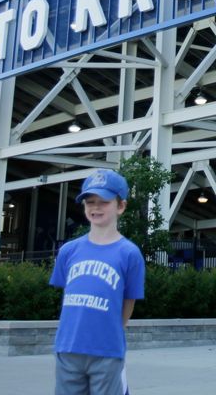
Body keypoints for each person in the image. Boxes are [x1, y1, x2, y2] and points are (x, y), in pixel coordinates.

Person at [51, 168, 146, 395]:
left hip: (106, 350)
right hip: (69, 347)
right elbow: (67, 296)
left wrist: (113, 331)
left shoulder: (129, 253)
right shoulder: (68, 251)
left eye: (103, 201)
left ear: (120, 206)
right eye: (89, 201)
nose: (95, 207)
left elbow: (129, 301)